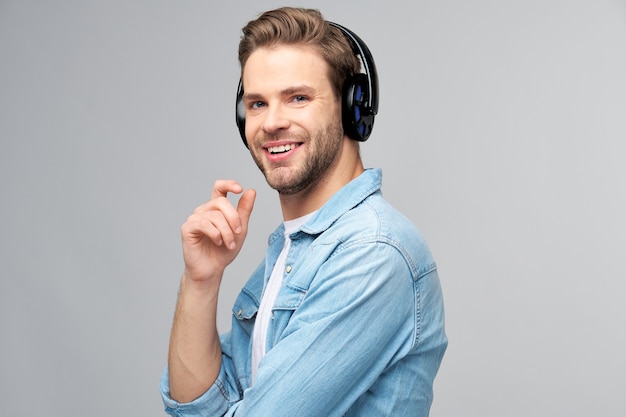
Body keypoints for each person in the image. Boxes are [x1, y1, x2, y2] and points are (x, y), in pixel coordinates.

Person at [160, 7, 447, 417]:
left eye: (298, 98)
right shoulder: (293, 250)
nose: (272, 122)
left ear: (352, 107)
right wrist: (200, 281)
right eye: (257, 104)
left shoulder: (372, 253)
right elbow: (196, 407)